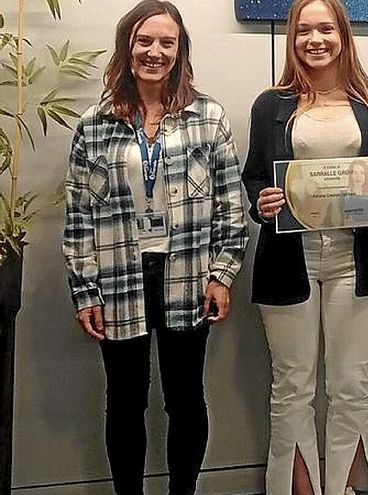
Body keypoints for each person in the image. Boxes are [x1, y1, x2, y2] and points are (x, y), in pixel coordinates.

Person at [62, 1, 248, 493]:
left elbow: (232, 204)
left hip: (187, 275)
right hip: (119, 277)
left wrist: (222, 275)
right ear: (128, 45)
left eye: (167, 42)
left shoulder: (207, 117)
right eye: (145, 41)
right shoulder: (94, 124)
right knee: (124, 400)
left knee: (186, 398)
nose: (155, 52)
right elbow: (78, 217)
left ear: (180, 49)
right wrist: (86, 292)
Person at [240, 0, 368, 492]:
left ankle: (347, 485)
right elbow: (255, 179)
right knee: (293, 386)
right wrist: (262, 201)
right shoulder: (272, 104)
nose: (315, 40)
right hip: (291, 259)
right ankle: (297, 488)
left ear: (343, 34)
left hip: (355, 259)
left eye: (325, 28)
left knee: (352, 385)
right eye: (304, 30)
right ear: (292, 38)